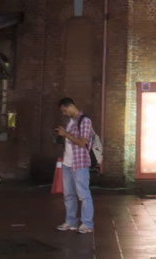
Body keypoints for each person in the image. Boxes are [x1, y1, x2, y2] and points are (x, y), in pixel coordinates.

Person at [54, 98, 94, 234]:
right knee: (69, 195)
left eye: (65, 110)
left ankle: (87, 223)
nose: (64, 113)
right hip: (67, 163)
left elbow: (83, 142)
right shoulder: (71, 122)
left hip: (80, 163)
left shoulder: (85, 120)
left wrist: (66, 134)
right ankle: (71, 222)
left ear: (71, 106)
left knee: (83, 194)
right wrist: (62, 135)